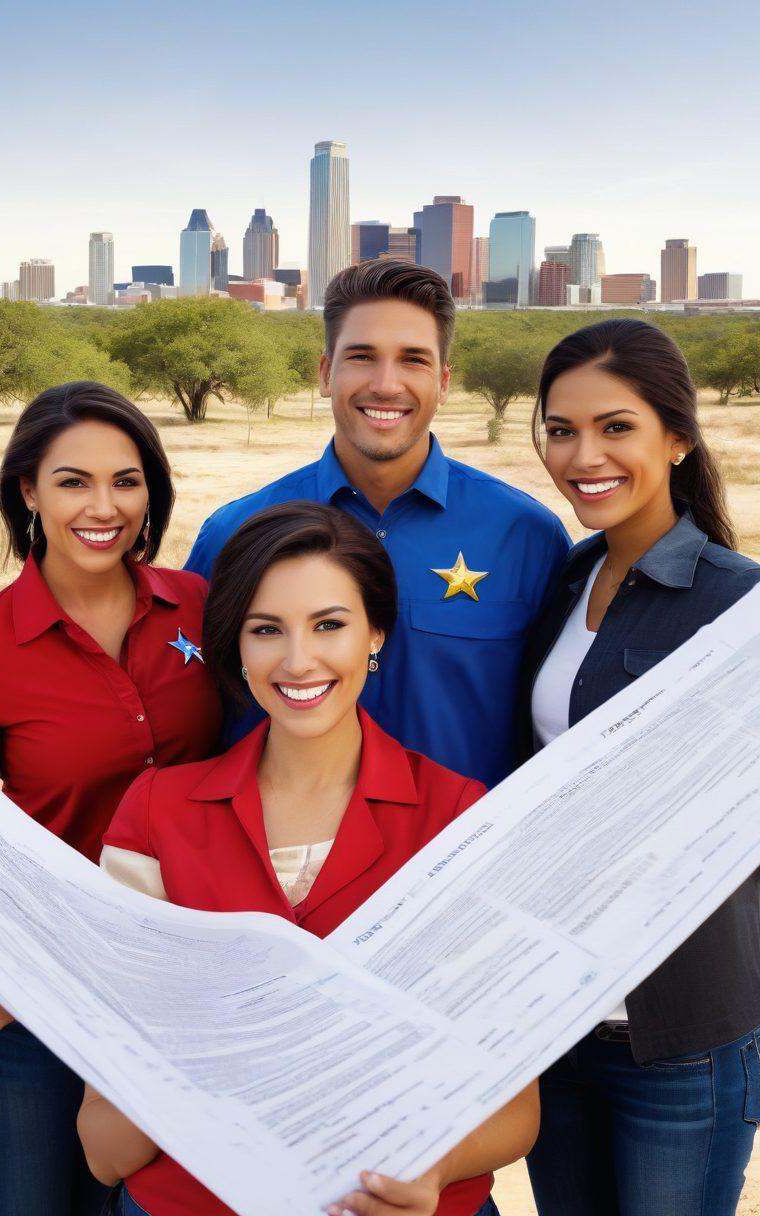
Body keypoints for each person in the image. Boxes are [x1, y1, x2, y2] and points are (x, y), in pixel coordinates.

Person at [80, 501, 540, 1216]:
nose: (298, 661)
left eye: (329, 625)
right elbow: (106, 1148)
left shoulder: (457, 817)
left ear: (375, 633)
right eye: (266, 629)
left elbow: (516, 1111)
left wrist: (432, 1169)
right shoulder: (154, 812)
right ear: (235, 645)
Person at [0, 382, 223, 1216]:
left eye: (126, 481)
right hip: (36, 990)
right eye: (73, 482)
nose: (104, 507)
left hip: (185, 990)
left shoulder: (201, 608)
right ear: (28, 490)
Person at [521, 318, 760, 1216]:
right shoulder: (562, 582)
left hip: (681, 1033)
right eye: (562, 430)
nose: (584, 456)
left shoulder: (738, 604)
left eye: (615, 427)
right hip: (554, 1018)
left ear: (678, 437)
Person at [185, 259, 569, 788]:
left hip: (466, 835)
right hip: (276, 836)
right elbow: (190, 708)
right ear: (326, 373)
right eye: (362, 357)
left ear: (444, 382)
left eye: (413, 360)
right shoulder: (234, 534)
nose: (386, 385)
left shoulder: (527, 536)